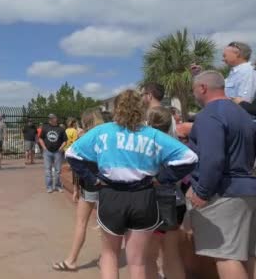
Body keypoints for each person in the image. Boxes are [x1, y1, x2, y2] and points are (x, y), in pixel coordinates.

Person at [66, 90, 198, 279]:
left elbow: (72, 154)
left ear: (116, 109)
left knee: (109, 255)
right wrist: (162, 178)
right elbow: (189, 158)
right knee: (137, 261)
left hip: (111, 195)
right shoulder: (151, 135)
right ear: (141, 108)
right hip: (143, 196)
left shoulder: (102, 132)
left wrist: (92, 179)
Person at [186, 71, 256, 279]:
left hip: (224, 193)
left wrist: (202, 192)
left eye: (194, 90)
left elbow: (213, 158)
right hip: (247, 189)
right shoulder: (242, 113)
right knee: (249, 254)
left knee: (226, 257)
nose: (194, 95)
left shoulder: (209, 115)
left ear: (203, 88)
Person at [53, 108, 104, 272]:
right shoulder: (107, 136)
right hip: (107, 183)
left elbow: (73, 158)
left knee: (81, 223)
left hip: (91, 183)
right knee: (107, 225)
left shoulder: (86, 137)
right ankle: (106, 257)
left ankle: (72, 260)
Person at [146, 106, 188, 279]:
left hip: (154, 206)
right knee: (172, 254)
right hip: (176, 203)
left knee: (148, 256)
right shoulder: (176, 146)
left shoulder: (146, 147)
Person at [192, 41, 256, 102]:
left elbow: (244, 102)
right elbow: (215, 87)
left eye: (225, 56)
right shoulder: (236, 73)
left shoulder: (247, 72)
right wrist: (200, 74)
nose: (223, 59)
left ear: (237, 53)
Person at [39, 113, 67, 193]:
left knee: (58, 170)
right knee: (48, 170)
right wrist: (44, 148)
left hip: (57, 152)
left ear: (55, 119)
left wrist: (60, 148)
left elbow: (65, 140)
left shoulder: (61, 129)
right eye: (50, 118)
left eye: (52, 118)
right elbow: (40, 139)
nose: (50, 120)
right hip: (47, 152)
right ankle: (49, 187)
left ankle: (57, 186)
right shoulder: (45, 127)